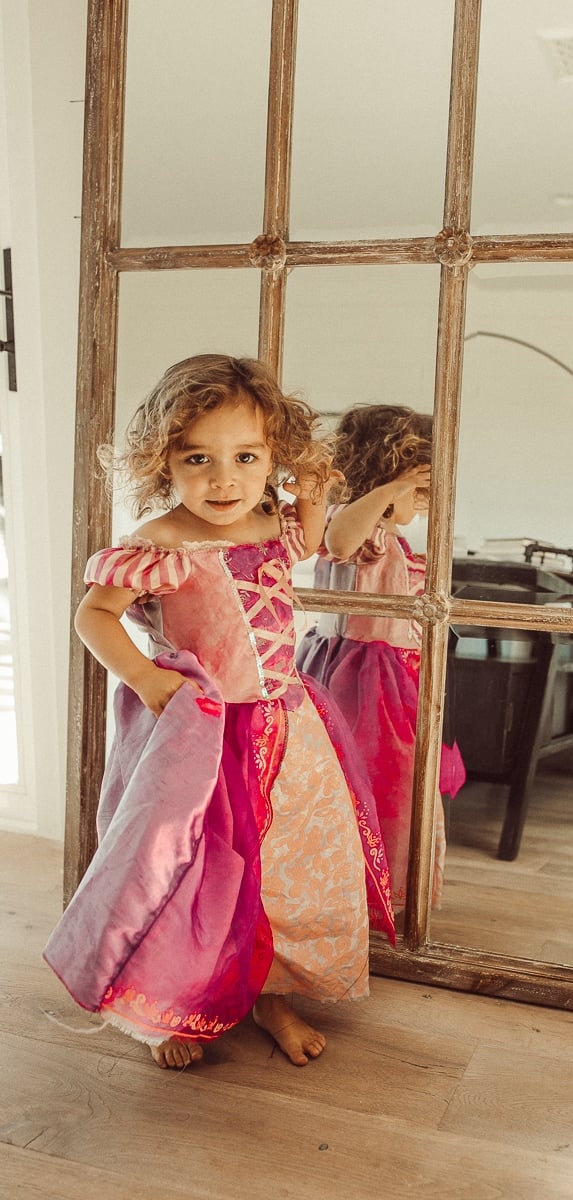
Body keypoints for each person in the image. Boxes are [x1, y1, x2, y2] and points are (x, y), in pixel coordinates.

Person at [44, 355, 394, 1070]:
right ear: (163, 460)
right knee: (197, 873)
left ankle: (271, 995)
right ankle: (185, 1003)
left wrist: (315, 493)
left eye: (246, 457)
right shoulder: (161, 541)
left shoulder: (270, 520)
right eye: (198, 458)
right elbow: (95, 617)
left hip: (287, 724)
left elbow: (315, 541)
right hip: (202, 734)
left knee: (283, 866)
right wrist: (145, 679)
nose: (223, 479)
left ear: (272, 460)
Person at [297, 404, 466, 911]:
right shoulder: (356, 528)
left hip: (397, 674)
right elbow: (339, 540)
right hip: (361, 676)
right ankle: (358, 890)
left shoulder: (394, 540)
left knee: (402, 784)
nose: (422, 504)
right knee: (373, 783)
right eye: (419, 492)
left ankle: (389, 889)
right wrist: (391, 493)